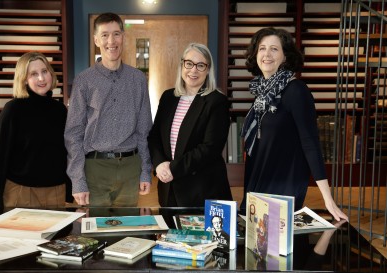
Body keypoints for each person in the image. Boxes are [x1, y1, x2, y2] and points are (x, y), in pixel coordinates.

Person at [239, 27, 348, 222]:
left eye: (274, 49)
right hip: (258, 182)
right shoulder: (261, 95)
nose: (267, 54)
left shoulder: (296, 90)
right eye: (262, 48)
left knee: (277, 248)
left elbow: (310, 143)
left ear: (285, 56)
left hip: (284, 184)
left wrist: (327, 199)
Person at [65, 12, 152, 207]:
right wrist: (78, 180)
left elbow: (144, 130)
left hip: (130, 168)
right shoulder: (84, 81)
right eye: (104, 35)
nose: (111, 41)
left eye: (116, 34)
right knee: (95, 232)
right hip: (95, 168)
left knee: (127, 232)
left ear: (123, 37)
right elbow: (73, 134)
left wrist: (146, 170)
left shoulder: (138, 79)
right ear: (96, 40)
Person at [147, 42, 233, 207]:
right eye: (189, 64)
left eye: (200, 65)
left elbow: (210, 148)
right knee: (169, 232)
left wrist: (173, 168)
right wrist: (159, 164)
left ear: (208, 70)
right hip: (169, 189)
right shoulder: (168, 97)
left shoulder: (216, 101)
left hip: (202, 190)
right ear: (182, 65)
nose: (193, 70)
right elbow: (154, 136)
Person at [0, 51, 71, 208]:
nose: (41, 78)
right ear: (24, 79)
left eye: (44, 71)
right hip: (20, 191)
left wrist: (69, 189)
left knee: (56, 233)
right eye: (33, 74)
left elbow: (65, 152)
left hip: (55, 190)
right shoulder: (13, 109)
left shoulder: (60, 110)